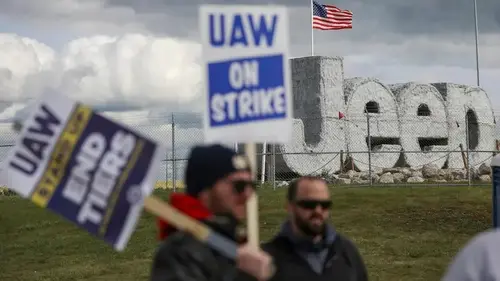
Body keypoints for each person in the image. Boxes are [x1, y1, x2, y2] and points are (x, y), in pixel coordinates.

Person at [150, 144, 273, 281]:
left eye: (252, 186)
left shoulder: (234, 242)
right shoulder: (180, 252)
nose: (248, 195)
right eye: (239, 186)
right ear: (205, 189)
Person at [262, 176, 368, 281]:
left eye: (324, 205)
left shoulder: (346, 251)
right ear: (290, 206)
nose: (318, 211)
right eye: (309, 204)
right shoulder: (266, 260)